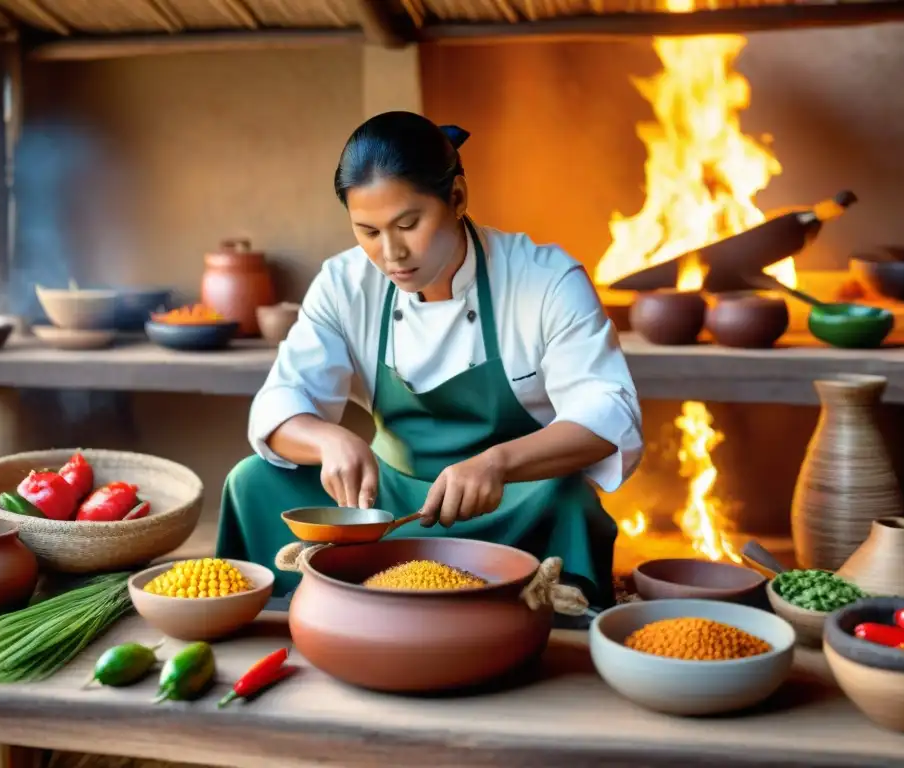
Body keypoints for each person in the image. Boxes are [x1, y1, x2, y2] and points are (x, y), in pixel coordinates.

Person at [216, 111, 643, 609]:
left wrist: (498, 463)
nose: (391, 253)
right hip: (384, 507)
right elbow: (280, 402)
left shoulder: (544, 280)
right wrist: (327, 439)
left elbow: (609, 415)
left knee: (568, 502)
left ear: (457, 198)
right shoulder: (343, 284)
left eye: (408, 224)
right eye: (368, 231)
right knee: (252, 480)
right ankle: (293, 614)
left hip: (510, 502)